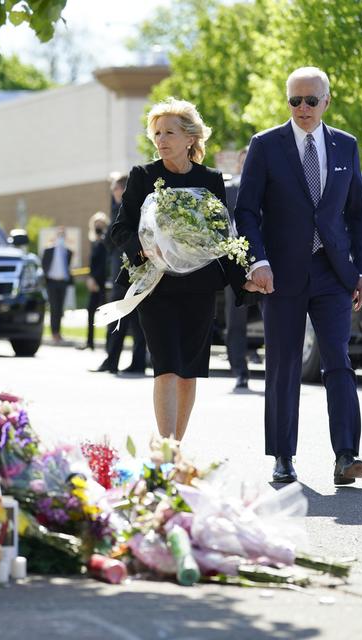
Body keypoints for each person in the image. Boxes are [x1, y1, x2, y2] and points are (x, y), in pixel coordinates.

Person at [234, 66, 362, 485]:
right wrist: (257, 262)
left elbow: (358, 214)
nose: (303, 108)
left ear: (327, 101)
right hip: (280, 274)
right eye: (295, 100)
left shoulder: (345, 146)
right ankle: (282, 456)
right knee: (284, 365)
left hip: (333, 273)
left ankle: (346, 455)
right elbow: (246, 210)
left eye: (311, 100)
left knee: (338, 360)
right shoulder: (266, 145)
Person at [111, 97, 252, 440]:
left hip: (199, 290)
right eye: (157, 133)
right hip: (157, 288)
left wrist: (245, 281)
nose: (161, 139)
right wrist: (144, 247)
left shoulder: (212, 180)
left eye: (169, 132)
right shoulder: (144, 176)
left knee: (190, 371)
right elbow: (120, 230)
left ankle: (177, 444)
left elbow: (222, 236)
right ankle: (166, 451)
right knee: (167, 367)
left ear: (190, 138)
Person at [93, 174, 148, 374]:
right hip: (134, 271)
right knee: (135, 319)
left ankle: (113, 360)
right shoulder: (136, 209)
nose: (113, 193)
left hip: (124, 272)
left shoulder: (122, 209)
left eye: (115, 189)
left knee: (119, 316)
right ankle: (136, 362)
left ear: (121, 190)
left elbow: (110, 240)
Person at [224, 146, 254, 390]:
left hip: (265, 260)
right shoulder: (229, 189)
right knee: (236, 318)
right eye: (242, 161)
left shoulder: (268, 188)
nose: (246, 165)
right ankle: (239, 370)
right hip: (235, 263)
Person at [78, 211, 109, 350]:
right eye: (96, 224)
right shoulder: (94, 243)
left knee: (108, 313)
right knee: (90, 311)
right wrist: (90, 279)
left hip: (102, 283)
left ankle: (110, 344)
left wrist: (95, 280)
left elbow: (103, 264)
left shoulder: (104, 242)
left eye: (101, 224)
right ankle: (90, 342)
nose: (98, 226)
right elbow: (92, 264)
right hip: (94, 282)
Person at [41, 226, 73, 345]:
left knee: (60, 309)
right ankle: (54, 333)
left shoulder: (68, 252)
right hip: (51, 283)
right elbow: (44, 266)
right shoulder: (48, 250)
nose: (61, 238)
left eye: (62, 235)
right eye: (59, 235)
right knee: (54, 308)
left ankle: (58, 332)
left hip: (63, 282)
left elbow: (68, 268)